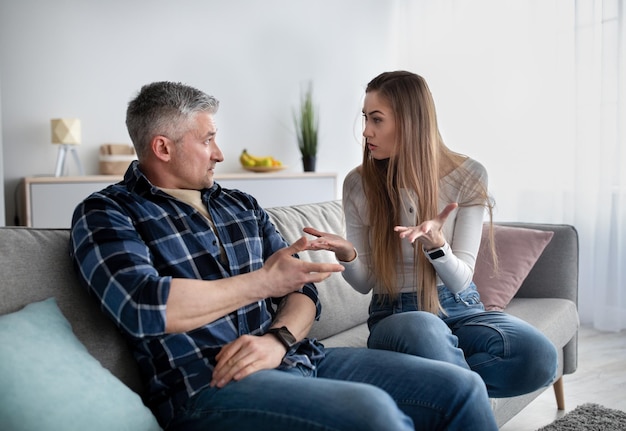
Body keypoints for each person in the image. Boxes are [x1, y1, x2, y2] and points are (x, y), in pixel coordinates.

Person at [69, 81, 498, 431]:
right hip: (210, 386)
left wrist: (277, 339)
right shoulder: (107, 212)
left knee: (461, 389)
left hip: (298, 357)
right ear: (163, 148)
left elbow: (304, 292)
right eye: (208, 140)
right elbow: (142, 306)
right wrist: (263, 283)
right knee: (372, 414)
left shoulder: (239, 205)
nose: (219, 153)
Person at [305, 70, 558, 399]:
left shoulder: (468, 176)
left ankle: (437, 384)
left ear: (410, 122)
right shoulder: (359, 184)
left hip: (461, 307)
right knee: (425, 329)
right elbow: (365, 282)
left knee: (539, 357)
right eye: (366, 118)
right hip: (396, 315)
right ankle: (457, 396)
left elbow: (460, 280)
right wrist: (347, 254)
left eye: (377, 120)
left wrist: (438, 247)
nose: (366, 131)